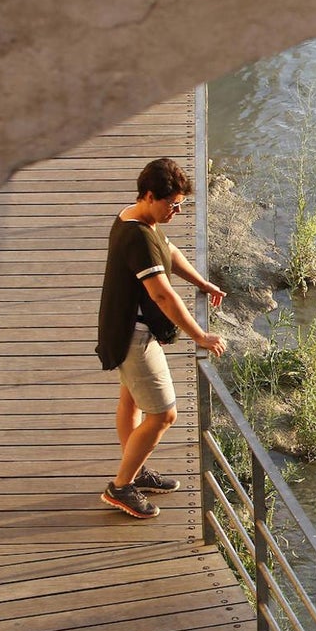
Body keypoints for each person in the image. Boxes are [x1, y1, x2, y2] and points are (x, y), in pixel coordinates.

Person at [95, 157, 227, 518]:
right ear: (151, 195)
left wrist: (201, 282)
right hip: (134, 336)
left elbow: (167, 251)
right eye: (172, 204)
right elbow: (162, 295)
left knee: (132, 402)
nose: (177, 211)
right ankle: (121, 487)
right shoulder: (137, 235)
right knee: (164, 414)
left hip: (122, 328)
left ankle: (133, 472)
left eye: (181, 203)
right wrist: (200, 335)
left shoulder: (136, 218)